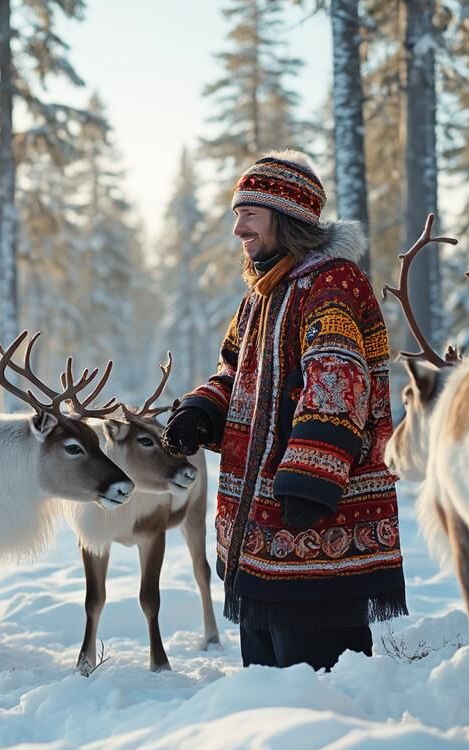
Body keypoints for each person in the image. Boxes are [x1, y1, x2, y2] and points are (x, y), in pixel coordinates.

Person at [163, 151, 407, 671]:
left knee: (318, 694)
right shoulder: (263, 293)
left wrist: (311, 477)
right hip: (259, 538)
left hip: (312, 529)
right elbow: (236, 371)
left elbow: (337, 377)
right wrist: (203, 411)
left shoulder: (331, 283)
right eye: (236, 214)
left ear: (287, 213)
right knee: (268, 699)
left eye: (249, 212)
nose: (238, 229)